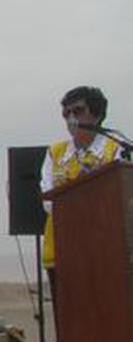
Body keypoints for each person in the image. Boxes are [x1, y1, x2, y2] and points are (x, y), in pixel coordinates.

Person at [40, 86, 120, 311]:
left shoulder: (116, 149)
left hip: (106, 251)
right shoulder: (55, 153)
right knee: (68, 318)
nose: (71, 119)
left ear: (97, 114)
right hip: (61, 252)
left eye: (78, 111)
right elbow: (48, 202)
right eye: (66, 114)